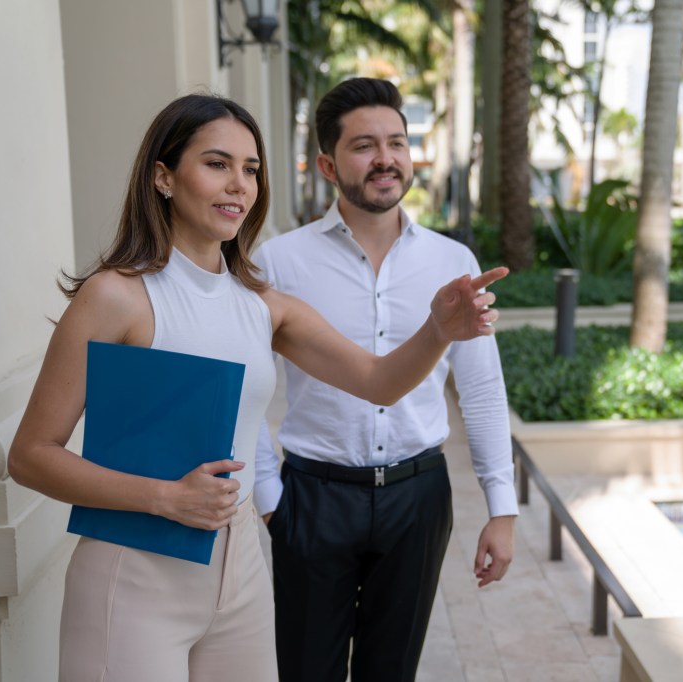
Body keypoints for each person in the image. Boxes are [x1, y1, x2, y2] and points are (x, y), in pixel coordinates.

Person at [5, 92, 506, 682]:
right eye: (217, 164)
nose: (238, 185)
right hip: (135, 570)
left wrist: (437, 330)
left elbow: (377, 382)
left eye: (250, 169)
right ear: (163, 177)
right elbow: (30, 456)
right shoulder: (116, 296)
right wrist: (164, 497)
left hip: (237, 567)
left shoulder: (262, 305)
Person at [254, 77, 519, 682]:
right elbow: (244, 393)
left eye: (396, 142)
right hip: (314, 499)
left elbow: (479, 389)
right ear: (327, 163)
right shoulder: (278, 262)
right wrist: (271, 499)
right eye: (364, 145)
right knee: (305, 669)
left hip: (417, 499)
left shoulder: (453, 262)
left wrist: (501, 508)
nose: (385, 158)